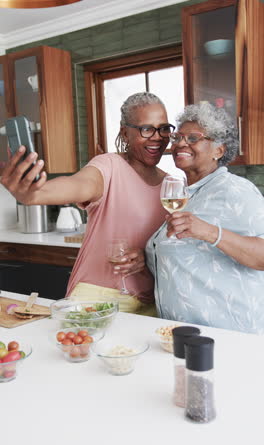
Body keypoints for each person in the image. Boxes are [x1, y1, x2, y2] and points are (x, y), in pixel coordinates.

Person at [1, 92, 175, 315]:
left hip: (150, 303)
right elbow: (76, 184)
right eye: (146, 129)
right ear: (125, 133)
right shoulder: (109, 166)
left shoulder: (171, 186)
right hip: (96, 298)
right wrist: (35, 194)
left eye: (163, 128)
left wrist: (147, 257)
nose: (158, 137)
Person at [145, 102, 264, 333]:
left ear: (218, 151)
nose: (180, 143)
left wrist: (210, 233)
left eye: (193, 138)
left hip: (229, 332)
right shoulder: (185, 193)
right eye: (178, 137)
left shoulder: (235, 190)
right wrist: (144, 258)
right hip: (182, 332)